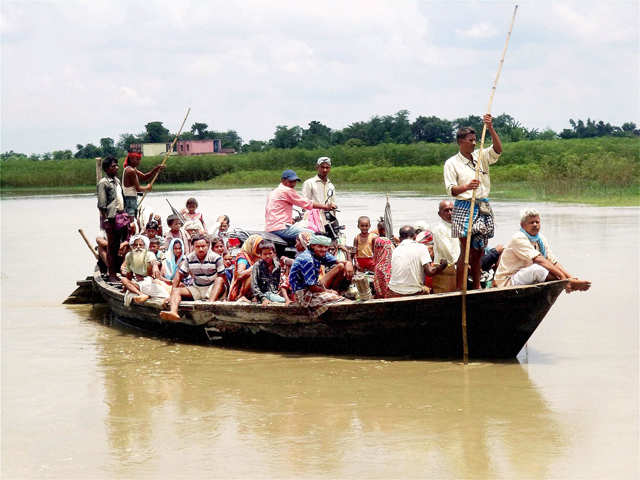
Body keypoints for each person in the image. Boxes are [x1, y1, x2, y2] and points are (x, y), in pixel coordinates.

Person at [444, 114, 502, 290]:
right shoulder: (452, 163)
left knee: (479, 251)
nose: (474, 143)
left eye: (475, 140)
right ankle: (460, 289)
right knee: (466, 250)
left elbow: (498, 150)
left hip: (482, 205)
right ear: (461, 141)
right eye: (470, 140)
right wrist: (467, 187)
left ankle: (476, 287)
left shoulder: (481, 156)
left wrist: (490, 127)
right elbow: (452, 190)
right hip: (464, 206)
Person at [494, 209, 591, 292]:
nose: (535, 225)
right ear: (522, 225)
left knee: (548, 267)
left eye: (537, 222)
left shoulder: (540, 238)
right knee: (538, 269)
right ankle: (567, 283)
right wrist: (562, 278)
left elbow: (552, 261)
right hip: (508, 280)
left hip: (523, 275)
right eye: (531, 222)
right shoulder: (518, 237)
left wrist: (570, 276)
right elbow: (539, 260)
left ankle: (570, 281)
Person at [160, 234, 226, 321]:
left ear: (208, 246)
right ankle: (173, 312)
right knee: (176, 290)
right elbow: (179, 275)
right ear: (193, 247)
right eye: (197, 246)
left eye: (203, 246)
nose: (201, 249)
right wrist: (171, 295)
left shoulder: (216, 258)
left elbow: (222, 278)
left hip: (212, 288)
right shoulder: (189, 258)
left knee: (219, 279)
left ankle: (209, 305)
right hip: (197, 288)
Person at [265, 169, 335, 245]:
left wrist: (289, 219)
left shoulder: (274, 192)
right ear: (283, 180)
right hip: (281, 228)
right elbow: (306, 203)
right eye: (291, 181)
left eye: (295, 181)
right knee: (314, 234)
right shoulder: (286, 190)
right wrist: (326, 206)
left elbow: (270, 211)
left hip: (270, 228)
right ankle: (325, 249)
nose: (293, 184)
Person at [289, 234, 354, 315]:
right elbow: (312, 287)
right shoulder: (307, 259)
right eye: (320, 246)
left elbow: (339, 262)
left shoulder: (320, 254)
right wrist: (328, 291)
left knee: (341, 266)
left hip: (314, 286)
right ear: (312, 246)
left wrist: (348, 263)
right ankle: (333, 296)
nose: (323, 249)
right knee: (342, 300)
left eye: (326, 247)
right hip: (304, 294)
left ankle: (334, 293)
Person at [387, 225, 447, 297]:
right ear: (415, 237)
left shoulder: (395, 250)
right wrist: (443, 265)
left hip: (393, 291)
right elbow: (430, 272)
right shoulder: (421, 247)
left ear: (400, 238)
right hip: (412, 292)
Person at [97, 156, 127, 281]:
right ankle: (112, 274)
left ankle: (122, 271)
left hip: (120, 216)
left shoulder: (117, 181)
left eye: (116, 165)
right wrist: (106, 221)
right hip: (111, 218)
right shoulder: (103, 183)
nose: (116, 168)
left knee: (121, 244)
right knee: (112, 247)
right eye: (113, 166)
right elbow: (102, 205)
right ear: (106, 169)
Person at [120, 235, 169, 304]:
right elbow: (129, 274)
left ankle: (145, 294)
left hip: (149, 282)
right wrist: (125, 288)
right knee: (123, 279)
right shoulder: (129, 256)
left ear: (145, 246)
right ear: (132, 246)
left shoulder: (149, 254)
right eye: (136, 245)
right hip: (138, 284)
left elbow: (153, 261)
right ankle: (141, 294)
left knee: (162, 292)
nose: (138, 247)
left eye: (141, 245)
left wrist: (155, 267)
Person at [122, 151, 164, 216]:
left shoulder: (132, 169)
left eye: (139, 160)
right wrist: (148, 187)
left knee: (134, 218)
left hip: (132, 198)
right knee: (131, 219)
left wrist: (156, 169)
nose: (139, 162)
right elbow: (138, 189)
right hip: (129, 199)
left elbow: (144, 177)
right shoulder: (130, 171)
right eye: (137, 159)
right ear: (131, 159)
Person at [228, 234, 263, 301]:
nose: (259, 248)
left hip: (253, 292)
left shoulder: (257, 257)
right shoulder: (243, 257)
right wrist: (253, 268)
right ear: (252, 246)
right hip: (239, 291)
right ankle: (241, 296)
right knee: (253, 273)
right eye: (257, 246)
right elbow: (239, 275)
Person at [251, 240, 286, 304]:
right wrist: (263, 298)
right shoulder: (257, 266)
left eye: (270, 253)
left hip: (275, 294)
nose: (268, 256)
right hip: (264, 295)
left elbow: (281, 282)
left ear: (274, 254)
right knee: (283, 301)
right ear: (260, 255)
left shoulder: (278, 266)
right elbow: (254, 286)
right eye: (265, 254)